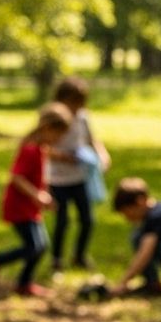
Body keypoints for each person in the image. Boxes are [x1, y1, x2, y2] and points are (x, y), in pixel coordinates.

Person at [0, 103, 73, 297]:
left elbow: (40, 176)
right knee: (35, 246)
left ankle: (23, 282)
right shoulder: (30, 149)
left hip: (30, 207)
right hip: (19, 206)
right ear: (47, 128)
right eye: (58, 134)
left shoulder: (42, 149)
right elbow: (16, 177)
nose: (59, 139)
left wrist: (45, 196)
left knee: (39, 246)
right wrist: (37, 196)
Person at [47, 76, 110, 273]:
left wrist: (102, 155)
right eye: (74, 102)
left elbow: (92, 140)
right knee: (62, 221)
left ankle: (79, 256)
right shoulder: (54, 117)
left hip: (80, 177)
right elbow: (43, 146)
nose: (78, 106)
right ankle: (56, 260)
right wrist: (65, 158)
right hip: (58, 179)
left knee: (87, 219)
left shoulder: (83, 116)